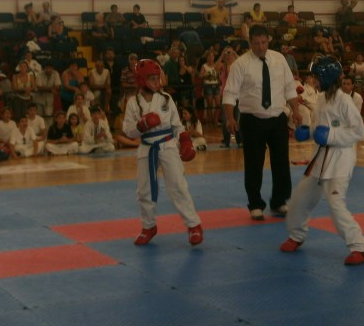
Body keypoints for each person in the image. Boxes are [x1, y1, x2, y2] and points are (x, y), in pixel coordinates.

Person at [280, 57, 364, 266]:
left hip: (340, 159)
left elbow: (358, 132)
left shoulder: (345, 101)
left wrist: (331, 135)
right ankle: (296, 235)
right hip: (320, 158)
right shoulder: (321, 99)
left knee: (336, 204)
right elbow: (320, 129)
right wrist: (308, 132)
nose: (314, 81)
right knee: (300, 199)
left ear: (327, 78)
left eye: (316, 77)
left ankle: (360, 247)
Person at [222, 24, 302, 221]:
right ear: (250, 42)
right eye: (256, 43)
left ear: (268, 41)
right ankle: (255, 204)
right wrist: (230, 118)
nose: (261, 47)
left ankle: (279, 201)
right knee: (254, 163)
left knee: (281, 162)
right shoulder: (240, 64)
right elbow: (230, 93)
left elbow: (289, 87)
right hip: (252, 120)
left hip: (278, 118)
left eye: (264, 42)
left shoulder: (279, 59)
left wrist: (296, 110)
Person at [122, 59, 203, 246]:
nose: (156, 81)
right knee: (144, 190)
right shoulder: (133, 102)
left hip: (167, 144)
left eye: (157, 78)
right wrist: (141, 125)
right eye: (151, 78)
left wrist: (185, 140)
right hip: (146, 146)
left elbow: (177, 125)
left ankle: (194, 225)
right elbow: (127, 130)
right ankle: (148, 226)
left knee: (178, 185)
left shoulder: (166, 98)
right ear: (142, 80)